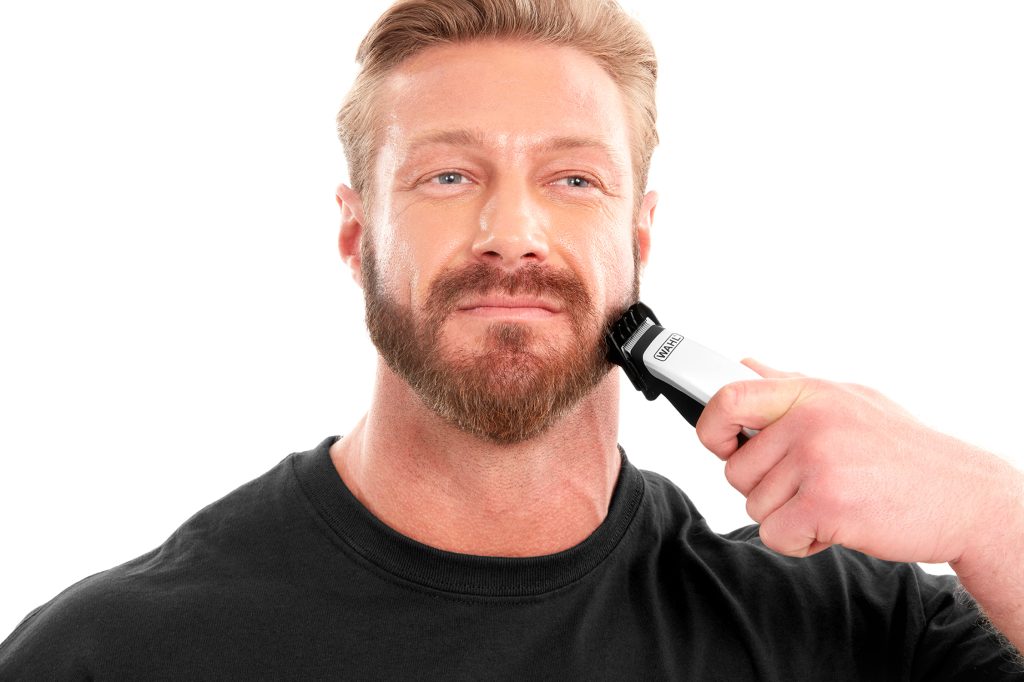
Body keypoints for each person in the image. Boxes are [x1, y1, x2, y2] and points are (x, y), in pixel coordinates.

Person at [2, 0, 1022, 678]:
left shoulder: (849, 634)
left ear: (639, 238)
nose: (512, 233)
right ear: (356, 235)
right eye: (448, 176)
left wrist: (989, 512)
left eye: (572, 179)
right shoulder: (114, 654)